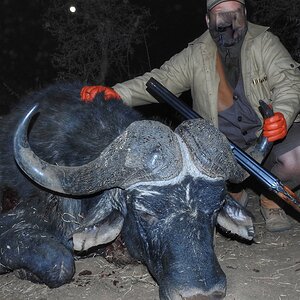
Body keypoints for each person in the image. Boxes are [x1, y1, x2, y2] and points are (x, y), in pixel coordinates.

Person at [80, 0, 300, 232]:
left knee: (297, 156)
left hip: (263, 134)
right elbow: (160, 80)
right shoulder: (196, 52)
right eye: (220, 16)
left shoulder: (265, 42)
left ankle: (271, 199)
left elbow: (289, 83)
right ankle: (232, 192)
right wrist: (116, 93)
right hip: (221, 144)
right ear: (207, 21)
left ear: (245, 14)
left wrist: (282, 116)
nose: (228, 22)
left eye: (235, 14)